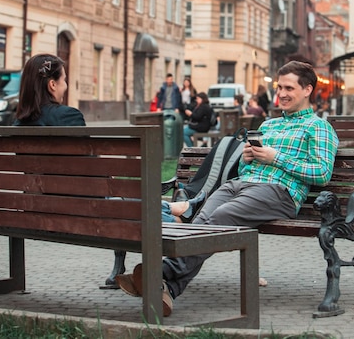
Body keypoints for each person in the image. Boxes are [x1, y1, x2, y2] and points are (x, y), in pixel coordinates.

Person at [116, 60, 339, 316]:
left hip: (279, 193)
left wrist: (275, 157)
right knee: (200, 220)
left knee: (218, 220)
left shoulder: (318, 127)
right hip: (241, 185)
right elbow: (247, 170)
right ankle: (166, 286)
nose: (282, 94)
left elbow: (321, 173)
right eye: (279, 88)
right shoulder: (268, 125)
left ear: (308, 89)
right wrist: (247, 160)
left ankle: (159, 273)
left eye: (289, 88)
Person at [14, 54, 86, 126]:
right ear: (52, 85)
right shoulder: (70, 117)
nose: (66, 86)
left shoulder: (18, 123)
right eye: (64, 80)